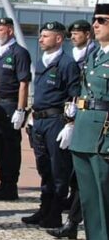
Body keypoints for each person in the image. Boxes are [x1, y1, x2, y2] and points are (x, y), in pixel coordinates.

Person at [22, 21, 80, 230]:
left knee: (58, 170)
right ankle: (44, 209)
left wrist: (70, 124)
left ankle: (54, 214)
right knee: (44, 168)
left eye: (45, 36)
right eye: (40, 36)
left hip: (56, 121)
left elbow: (74, 95)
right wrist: (31, 115)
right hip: (39, 120)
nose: (40, 39)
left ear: (58, 39)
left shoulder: (67, 64)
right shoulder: (41, 62)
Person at [47, 19, 94, 238]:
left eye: (78, 33)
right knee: (79, 177)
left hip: (95, 124)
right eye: (71, 33)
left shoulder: (94, 56)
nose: (73, 36)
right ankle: (72, 223)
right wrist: (71, 121)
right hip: (81, 121)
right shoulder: (74, 58)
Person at [71, 4, 109, 240]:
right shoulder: (95, 54)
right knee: (90, 199)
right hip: (84, 133)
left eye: (102, 20)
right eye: (95, 20)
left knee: (105, 196)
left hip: (103, 136)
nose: (94, 25)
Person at [0, 17, 31, 201]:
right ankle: (3, 183)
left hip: (11, 104)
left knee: (10, 147)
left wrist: (21, 109)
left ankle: (11, 186)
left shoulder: (19, 53)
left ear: (10, 31)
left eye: (0, 30)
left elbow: (24, 83)